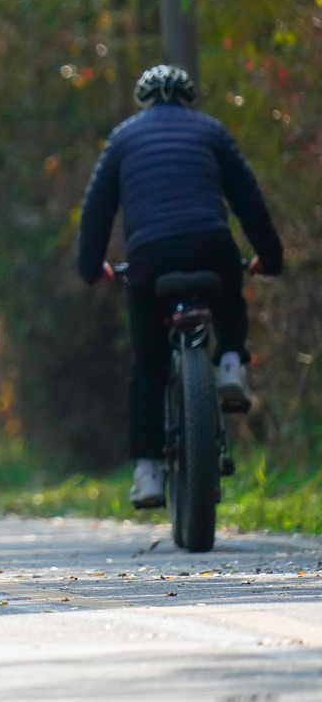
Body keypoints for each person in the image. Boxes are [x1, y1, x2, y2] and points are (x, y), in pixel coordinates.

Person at [77, 64, 283, 509]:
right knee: (229, 299)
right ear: (187, 97)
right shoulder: (211, 131)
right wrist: (270, 256)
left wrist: (93, 268)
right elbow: (249, 200)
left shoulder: (123, 138)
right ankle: (230, 364)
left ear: (143, 99)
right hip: (212, 245)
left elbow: (96, 211)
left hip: (151, 256)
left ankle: (148, 472)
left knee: (149, 364)